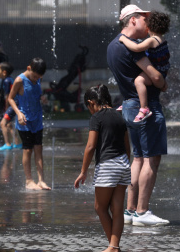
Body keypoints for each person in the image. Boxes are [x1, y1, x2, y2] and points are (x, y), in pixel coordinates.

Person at [107, 4, 169, 226]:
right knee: (151, 158)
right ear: (133, 20)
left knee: (138, 158)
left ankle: (130, 210)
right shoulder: (132, 47)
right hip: (146, 106)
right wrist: (163, 83)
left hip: (129, 105)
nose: (148, 23)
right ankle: (143, 212)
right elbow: (156, 78)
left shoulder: (113, 46)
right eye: (144, 19)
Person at [74, 85, 131, 252]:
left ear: (91, 102)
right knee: (117, 208)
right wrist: (126, 164)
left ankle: (113, 247)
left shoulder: (97, 117)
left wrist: (83, 171)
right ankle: (114, 246)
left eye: (88, 107)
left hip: (107, 165)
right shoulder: (120, 117)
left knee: (100, 207)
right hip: (123, 164)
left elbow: (91, 146)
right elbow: (128, 147)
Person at [118, 10, 170, 123]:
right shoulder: (162, 40)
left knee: (138, 81)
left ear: (150, 27)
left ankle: (143, 108)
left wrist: (123, 39)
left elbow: (137, 48)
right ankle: (132, 104)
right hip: (162, 71)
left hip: (156, 71)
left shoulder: (152, 40)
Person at [8, 58, 51, 190]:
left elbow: (35, 94)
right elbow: (10, 98)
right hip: (24, 120)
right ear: (28, 68)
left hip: (37, 119)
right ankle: (28, 180)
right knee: (28, 150)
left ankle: (41, 180)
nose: (35, 79)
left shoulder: (38, 78)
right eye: (34, 76)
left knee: (39, 149)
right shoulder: (19, 81)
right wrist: (18, 113)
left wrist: (42, 98)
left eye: (38, 77)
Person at [0, 62, 22, 151]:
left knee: (3, 123)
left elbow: (8, 96)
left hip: (12, 104)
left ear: (4, 72)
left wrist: (6, 108)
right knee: (9, 124)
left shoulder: (6, 81)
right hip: (17, 103)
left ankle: (7, 143)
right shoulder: (10, 79)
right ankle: (17, 143)